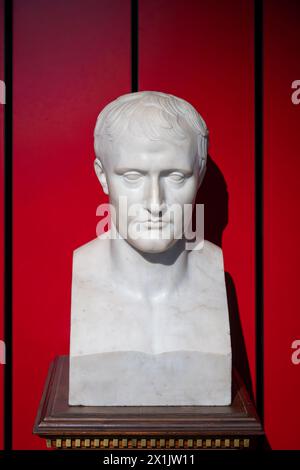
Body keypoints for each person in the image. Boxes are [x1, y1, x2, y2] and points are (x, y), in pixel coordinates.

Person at [69, 91, 231, 406]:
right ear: (103, 177)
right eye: (132, 177)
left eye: (175, 177)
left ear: (199, 177)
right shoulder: (84, 272)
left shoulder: (213, 276)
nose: (155, 203)